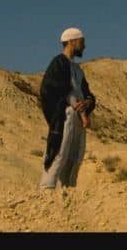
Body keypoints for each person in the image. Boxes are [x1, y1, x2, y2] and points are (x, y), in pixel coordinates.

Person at [38, 27, 96, 189]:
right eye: (81, 42)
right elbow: (50, 89)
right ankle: (46, 190)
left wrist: (88, 103)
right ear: (71, 42)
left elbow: (87, 93)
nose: (84, 46)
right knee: (59, 154)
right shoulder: (59, 63)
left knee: (75, 158)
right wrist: (73, 104)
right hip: (65, 116)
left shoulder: (78, 69)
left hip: (78, 119)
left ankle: (68, 193)